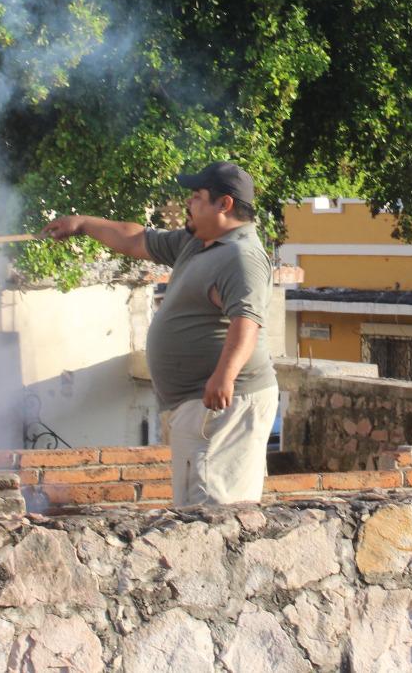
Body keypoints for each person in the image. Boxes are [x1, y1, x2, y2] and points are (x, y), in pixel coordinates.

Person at [44, 161, 277, 506]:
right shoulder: (197, 243)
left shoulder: (241, 257)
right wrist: (82, 224)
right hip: (198, 405)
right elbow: (136, 238)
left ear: (224, 204)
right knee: (194, 503)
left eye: (197, 197)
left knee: (215, 508)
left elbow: (247, 322)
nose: (188, 203)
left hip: (226, 403)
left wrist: (225, 376)